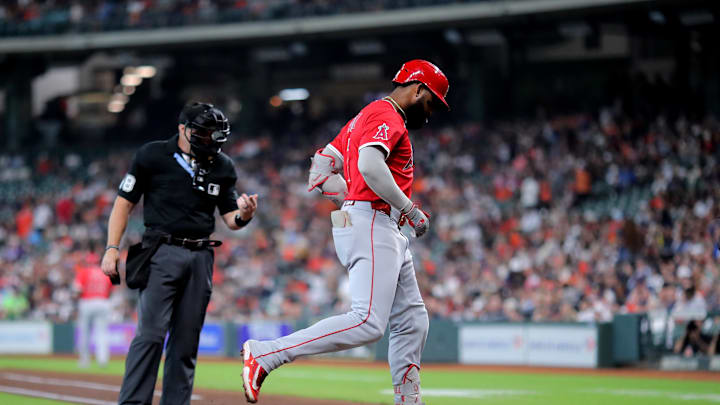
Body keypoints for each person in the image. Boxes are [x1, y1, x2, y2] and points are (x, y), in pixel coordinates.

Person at [241, 60, 449, 404]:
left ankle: (409, 401)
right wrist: (408, 209)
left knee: (413, 321)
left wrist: (352, 196)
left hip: (375, 223)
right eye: (431, 102)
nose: (430, 113)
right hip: (373, 222)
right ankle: (268, 353)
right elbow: (368, 165)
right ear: (417, 89)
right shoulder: (388, 115)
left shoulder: (361, 119)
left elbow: (319, 171)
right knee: (367, 322)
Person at [101, 102, 258, 405]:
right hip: (161, 251)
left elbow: (229, 219)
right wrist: (111, 249)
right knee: (151, 335)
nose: (209, 138)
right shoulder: (152, 154)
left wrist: (245, 215)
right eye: (202, 131)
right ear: (182, 129)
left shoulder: (222, 165)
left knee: (186, 344)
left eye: (214, 133)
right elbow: (124, 203)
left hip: (201, 257)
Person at [74, 251, 113, 368]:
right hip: (103, 301)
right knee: (102, 332)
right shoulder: (105, 273)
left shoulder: (84, 272)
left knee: (84, 332)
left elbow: (78, 290)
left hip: (87, 302)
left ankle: (84, 360)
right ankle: (103, 360)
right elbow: (110, 290)